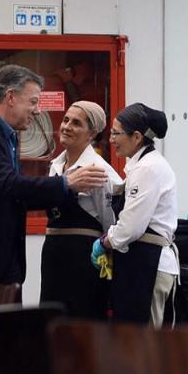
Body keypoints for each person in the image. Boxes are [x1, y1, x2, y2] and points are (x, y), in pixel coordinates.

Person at [0, 64, 108, 292]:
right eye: (33, 102)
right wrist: (66, 182)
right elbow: (10, 185)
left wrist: (67, 192)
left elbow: (15, 196)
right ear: (11, 98)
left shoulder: (8, 136)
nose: (37, 111)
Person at [91, 103, 179, 327]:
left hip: (149, 264)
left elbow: (131, 226)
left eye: (116, 133)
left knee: (144, 343)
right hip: (140, 261)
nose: (111, 139)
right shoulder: (141, 165)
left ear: (137, 137)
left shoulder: (148, 168)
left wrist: (106, 241)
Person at [40, 101, 122, 319]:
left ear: (91, 133)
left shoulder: (99, 170)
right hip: (53, 254)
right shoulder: (56, 166)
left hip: (83, 259)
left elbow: (110, 220)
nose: (66, 126)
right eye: (66, 120)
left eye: (76, 123)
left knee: (81, 320)